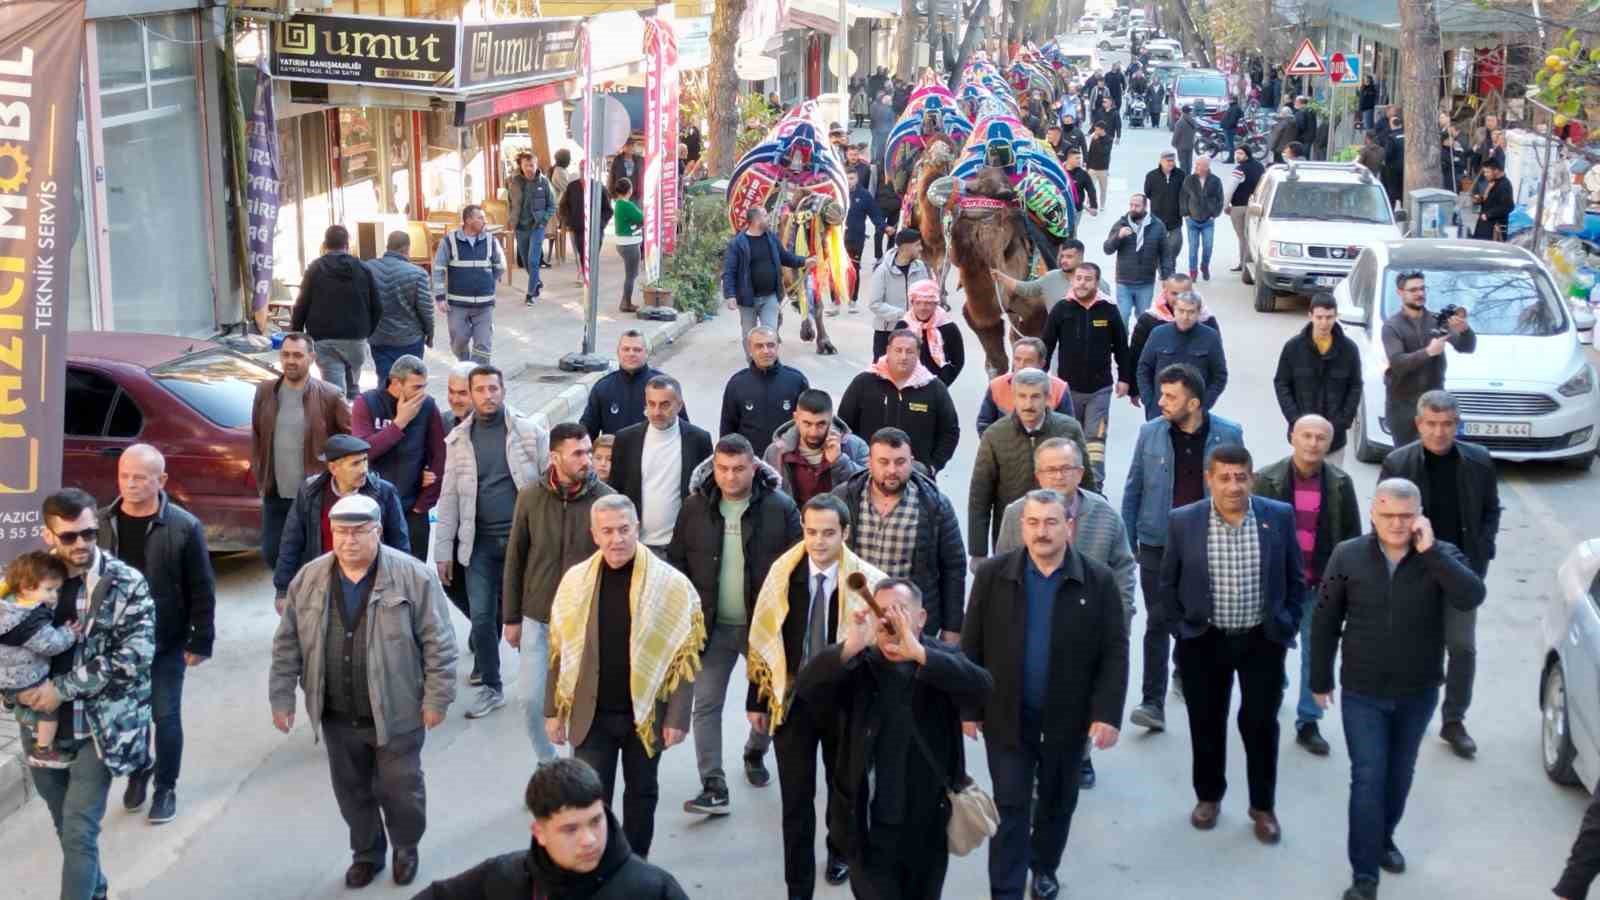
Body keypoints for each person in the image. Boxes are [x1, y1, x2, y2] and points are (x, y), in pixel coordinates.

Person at [270, 494, 458, 889]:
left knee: (401, 788)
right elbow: (287, 642)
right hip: (338, 713)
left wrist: (437, 697)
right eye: (340, 532)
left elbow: (439, 641)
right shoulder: (310, 578)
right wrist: (282, 696)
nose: (349, 541)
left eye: (359, 531)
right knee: (352, 792)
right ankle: (368, 854)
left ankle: (406, 846)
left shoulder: (412, 576)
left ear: (378, 531)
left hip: (399, 709)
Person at [1313, 478, 1486, 900]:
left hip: (1418, 690)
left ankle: (1384, 838)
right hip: (1362, 690)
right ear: (1373, 513)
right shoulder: (1348, 555)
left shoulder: (1441, 556)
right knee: (1368, 776)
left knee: (1398, 776)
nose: (1395, 524)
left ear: (1419, 517)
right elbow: (1324, 619)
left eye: (1405, 516)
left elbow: (1471, 595)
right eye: (1387, 515)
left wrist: (1430, 553)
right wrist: (1319, 679)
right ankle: (1365, 876)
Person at [965, 489, 1128, 900]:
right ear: (1022, 527)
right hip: (1006, 716)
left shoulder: (1098, 580)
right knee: (1011, 805)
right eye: (1034, 523)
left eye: (1052, 522)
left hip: (1068, 721)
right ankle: (1005, 889)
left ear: (1069, 528)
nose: (1042, 532)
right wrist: (968, 707)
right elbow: (971, 646)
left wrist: (1107, 713)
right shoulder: (993, 576)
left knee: (1057, 802)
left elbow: (1114, 651)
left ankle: (1044, 867)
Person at [794, 578, 993, 899]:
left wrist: (921, 654)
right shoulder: (859, 664)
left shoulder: (939, 658)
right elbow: (806, 689)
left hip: (927, 825)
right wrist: (848, 647)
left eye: (899, 611)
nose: (889, 620)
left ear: (921, 618)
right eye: (882, 612)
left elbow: (983, 687)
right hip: (867, 826)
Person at [1160, 444, 1304, 844]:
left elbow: (1295, 578)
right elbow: (1167, 582)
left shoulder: (1278, 517)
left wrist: (1287, 623)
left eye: (1241, 476)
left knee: (1260, 725)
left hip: (1262, 640)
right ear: (1209, 479)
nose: (1233, 485)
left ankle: (1262, 806)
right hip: (1204, 641)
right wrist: (1180, 628)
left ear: (1252, 477)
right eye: (1224, 477)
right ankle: (1208, 797)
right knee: (1205, 722)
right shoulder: (1184, 521)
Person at [545, 495, 703, 860]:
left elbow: (683, 654)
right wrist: (553, 709)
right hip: (591, 715)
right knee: (589, 801)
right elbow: (559, 650)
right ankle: (598, 866)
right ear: (594, 534)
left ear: (637, 529)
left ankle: (636, 866)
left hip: (645, 717)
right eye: (607, 531)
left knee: (642, 794)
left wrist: (677, 717)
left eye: (623, 529)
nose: (616, 539)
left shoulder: (671, 585)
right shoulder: (575, 582)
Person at [746, 494, 888, 896]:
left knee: (846, 793)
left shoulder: (868, 583)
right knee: (796, 801)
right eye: (811, 532)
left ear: (846, 533)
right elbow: (763, 639)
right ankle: (798, 887)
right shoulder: (782, 575)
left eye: (829, 533)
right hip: (793, 703)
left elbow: (880, 654)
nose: (819, 542)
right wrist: (757, 700)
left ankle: (839, 849)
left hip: (846, 706)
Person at [21, 489, 154, 900]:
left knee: (79, 831)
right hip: (38, 731)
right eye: (69, 537)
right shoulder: (24, 581)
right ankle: (95, 892)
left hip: (98, 731)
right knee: (65, 825)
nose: (81, 544)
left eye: (89, 534)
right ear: (48, 535)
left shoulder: (126, 582)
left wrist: (61, 689)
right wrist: (15, 691)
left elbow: (137, 655)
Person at [669, 435, 800, 816]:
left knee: (772, 702)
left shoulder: (781, 509)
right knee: (706, 705)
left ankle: (755, 752)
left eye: (738, 468)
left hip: (761, 628)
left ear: (754, 467)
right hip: (712, 628)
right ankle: (713, 784)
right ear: (713, 467)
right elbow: (677, 564)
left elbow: (796, 571)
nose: (729, 476)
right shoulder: (694, 508)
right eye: (722, 469)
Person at [1377, 391, 1501, 759]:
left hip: (1461, 571)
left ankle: (1454, 720)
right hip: (1413, 571)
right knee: (1408, 644)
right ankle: (1398, 714)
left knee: (1461, 647)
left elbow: (1491, 509)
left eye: (1447, 424)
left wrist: (1484, 549)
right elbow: (1383, 516)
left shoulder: (1478, 461)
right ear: (1418, 424)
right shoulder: (1398, 462)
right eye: (1431, 424)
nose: (1439, 432)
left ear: (1457, 424)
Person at [1122, 364, 1244, 731]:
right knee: (1158, 620)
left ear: (1193, 402)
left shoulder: (1228, 434)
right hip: (1158, 542)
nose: (1160, 401)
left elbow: (1240, 492)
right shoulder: (1150, 434)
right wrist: (1130, 544)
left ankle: (1184, 670)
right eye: (1161, 394)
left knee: (1197, 617)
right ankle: (1152, 702)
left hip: (1208, 542)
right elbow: (1133, 490)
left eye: (1170, 396)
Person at [99, 444, 215, 824]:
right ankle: (139, 770)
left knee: (165, 716)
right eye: (124, 476)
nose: (130, 485)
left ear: (161, 480)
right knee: (128, 717)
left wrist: (201, 640)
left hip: (166, 640)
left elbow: (202, 587)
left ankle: (166, 787)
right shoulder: (102, 523)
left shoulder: (183, 526)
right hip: (115, 645)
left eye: (140, 478)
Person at [434, 365, 550, 720]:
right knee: (482, 617)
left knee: (538, 619)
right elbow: (449, 495)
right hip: (478, 543)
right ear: (469, 395)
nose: (487, 395)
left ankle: (547, 687)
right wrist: (443, 551)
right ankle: (491, 687)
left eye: (492, 388)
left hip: (524, 544)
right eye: (480, 390)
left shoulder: (528, 433)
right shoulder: (457, 441)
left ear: (503, 391)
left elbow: (550, 483)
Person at [410, 758, 690, 899]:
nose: (589, 840)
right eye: (570, 830)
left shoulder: (653, 889)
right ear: (539, 833)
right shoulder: (506, 877)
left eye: (596, 821)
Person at [502, 422, 614, 769]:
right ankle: (548, 763)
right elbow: (516, 557)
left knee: (582, 701)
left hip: (585, 622)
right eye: (578, 453)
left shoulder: (605, 499)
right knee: (532, 699)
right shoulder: (530, 497)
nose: (587, 461)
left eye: (588, 452)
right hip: (538, 617)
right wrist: (511, 617)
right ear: (555, 457)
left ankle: (578, 766)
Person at [1253, 415, 1361, 756]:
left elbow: (1351, 539)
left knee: (1317, 653)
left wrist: (1348, 587)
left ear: (1329, 443)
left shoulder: (1341, 484)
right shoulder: (1267, 479)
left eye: (1320, 438)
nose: (1313, 443)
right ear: (1292, 438)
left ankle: (1309, 721)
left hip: (1320, 585)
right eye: (1307, 436)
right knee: (1272, 646)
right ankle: (1269, 700)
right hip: (1277, 584)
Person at [832, 428, 966, 644]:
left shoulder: (935, 505)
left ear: (911, 461)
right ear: (870, 462)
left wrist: (952, 628)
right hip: (854, 622)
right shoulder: (844, 498)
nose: (892, 470)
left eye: (900, 462)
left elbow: (953, 568)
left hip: (908, 627)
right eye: (883, 462)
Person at [968, 368, 1096, 562]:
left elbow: (1086, 484)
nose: (1028, 404)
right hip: (1013, 538)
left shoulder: (1069, 429)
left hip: (1062, 537)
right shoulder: (995, 435)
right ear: (1014, 398)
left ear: (1047, 398)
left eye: (1035, 396)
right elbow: (980, 494)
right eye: (1022, 396)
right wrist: (978, 552)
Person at [272, 433, 410, 612]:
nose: (364, 469)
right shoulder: (311, 493)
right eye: (355, 463)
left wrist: (401, 586)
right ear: (333, 468)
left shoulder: (383, 492)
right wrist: (282, 590)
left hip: (372, 584)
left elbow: (400, 543)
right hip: (324, 582)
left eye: (365, 461)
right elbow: (291, 541)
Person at [254, 333, 353, 570]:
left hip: (312, 496)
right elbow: (257, 437)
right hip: (275, 495)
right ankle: (288, 602)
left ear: (311, 358)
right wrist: (260, 474)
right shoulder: (266, 392)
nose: (290, 360)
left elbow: (351, 442)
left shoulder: (330, 395)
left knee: (312, 561)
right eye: (285, 354)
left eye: (298, 355)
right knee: (272, 555)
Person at [353, 355, 447, 562]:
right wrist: (399, 424)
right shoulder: (366, 403)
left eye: (424, 386)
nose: (421, 393)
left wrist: (423, 505)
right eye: (416, 387)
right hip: (374, 507)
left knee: (413, 577)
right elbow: (363, 453)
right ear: (396, 382)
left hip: (412, 509)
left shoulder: (428, 406)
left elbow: (439, 456)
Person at [607, 375, 713, 556]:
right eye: (651, 404)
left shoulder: (698, 440)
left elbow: (707, 492)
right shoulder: (626, 439)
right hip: (637, 546)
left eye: (665, 405)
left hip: (682, 547)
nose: (656, 411)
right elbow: (616, 490)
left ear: (679, 405)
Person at [838, 330, 962, 474]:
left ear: (918, 354)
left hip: (916, 477)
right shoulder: (863, 383)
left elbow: (950, 431)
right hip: (869, 474)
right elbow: (844, 427)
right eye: (898, 350)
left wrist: (933, 466)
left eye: (909, 351)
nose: (903, 356)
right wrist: (856, 461)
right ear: (888, 351)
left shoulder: (934, 387)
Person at [1380, 270, 1475, 448]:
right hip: (1403, 406)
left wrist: (1465, 330)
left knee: (1434, 460)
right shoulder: (1392, 326)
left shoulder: (1437, 321)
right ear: (1400, 293)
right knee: (1407, 461)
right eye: (1413, 290)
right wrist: (1428, 352)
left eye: (1423, 289)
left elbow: (1466, 347)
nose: (1420, 294)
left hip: (1434, 405)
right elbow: (1397, 363)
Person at [0, 551, 76, 768]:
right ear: (27, 587)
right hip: (24, 679)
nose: (54, 596)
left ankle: (9, 699)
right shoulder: (29, 619)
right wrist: (69, 633)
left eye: (57, 590)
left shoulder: (8, 604)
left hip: (7, 676)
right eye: (49, 590)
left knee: (18, 695)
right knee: (49, 705)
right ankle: (43, 750)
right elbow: (51, 645)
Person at [293, 224, 383, 400]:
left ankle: (342, 421)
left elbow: (301, 304)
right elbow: (377, 307)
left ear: (325, 244)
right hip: (356, 338)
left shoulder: (315, 269)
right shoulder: (363, 269)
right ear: (347, 244)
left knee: (334, 392)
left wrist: (296, 333)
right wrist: (365, 332)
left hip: (325, 339)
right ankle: (354, 412)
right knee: (353, 385)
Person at [1272, 295, 1363, 459]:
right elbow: (1282, 383)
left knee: (1332, 484)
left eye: (1329, 317)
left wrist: (1343, 421)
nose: (1324, 323)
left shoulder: (1349, 350)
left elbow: (1355, 386)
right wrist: (1295, 419)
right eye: (1319, 317)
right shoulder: (1293, 348)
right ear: (1310, 316)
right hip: (1300, 435)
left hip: (1334, 439)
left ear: (1336, 316)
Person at [762, 388, 869, 506]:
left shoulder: (856, 446)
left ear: (831, 419)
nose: (813, 432)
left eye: (821, 424)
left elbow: (869, 489)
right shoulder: (775, 452)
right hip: (792, 523)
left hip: (838, 523)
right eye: (807, 424)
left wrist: (839, 461)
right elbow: (764, 497)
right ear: (796, 418)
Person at [722, 206, 814, 339]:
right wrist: (730, 295)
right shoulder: (737, 244)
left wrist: (805, 261)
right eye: (765, 216)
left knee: (770, 335)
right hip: (747, 300)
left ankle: (773, 361)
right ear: (756, 220)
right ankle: (753, 360)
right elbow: (729, 271)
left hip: (770, 297)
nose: (769, 218)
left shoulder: (771, 238)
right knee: (750, 338)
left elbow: (785, 257)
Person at [433, 204, 508, 365]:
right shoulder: (449, 241)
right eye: (480, 218)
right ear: (468, 220)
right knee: (459, 339)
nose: (484, 221)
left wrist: (488, 281)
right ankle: (464, 364)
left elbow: (501, 265)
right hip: (458, 303)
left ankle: (478, 375)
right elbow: (438, 269)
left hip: (484, 304)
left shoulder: (491, 240)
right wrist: (439, 297)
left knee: (483, 344)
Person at [1136, 291, 1228, 419]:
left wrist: (1204, 405)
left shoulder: (1210, 337)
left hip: (1193, 415)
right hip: (1160, 413)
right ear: (1174, 310)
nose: (1186, 316)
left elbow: (1219, 376)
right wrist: (1149, 401)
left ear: (1198, 313)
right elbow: (1143, 368)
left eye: (1191, 312)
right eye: (1181, 311)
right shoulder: (1158, 334)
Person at [719, 326, 810, 457]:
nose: (766, 351)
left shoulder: (796, 380)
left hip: (787, 460)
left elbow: (808, 423)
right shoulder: (736, 384)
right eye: (759, 346)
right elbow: (727, 429)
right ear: (749, 349)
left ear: (778, 346)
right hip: (751, 462)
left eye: (770, 345)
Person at [580, 330, 689, 438]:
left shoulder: (665, 387)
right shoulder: (603, 388)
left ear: (647, 353)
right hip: (617, 454)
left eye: (637, 350)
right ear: (618, 353)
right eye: (626, 349)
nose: (631, 353)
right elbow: (586, 433)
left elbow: (685, 431)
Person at [366, 231, 435, 383]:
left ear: (387, 246)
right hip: (409, 339)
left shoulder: (368, 268)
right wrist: (430, 333)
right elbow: (426, 310)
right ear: (406, 248)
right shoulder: (418, 274)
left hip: (379, 337)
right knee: (410, 382)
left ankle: (385, 405)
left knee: (386, 381)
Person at [973, 337, 1075, 437]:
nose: (1021, 365)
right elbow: (984, 424)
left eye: (1028, 361)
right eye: (1017, 359)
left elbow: (1068, 428)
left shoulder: (1059, 388)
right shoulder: (997, 386)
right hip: (1006, 450)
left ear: (1042, 364)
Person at [1127, 274, 1221, 377]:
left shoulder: (1207, 321)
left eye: (1184, 293)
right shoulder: (1149, 320)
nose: (1179, 298)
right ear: (1165, 291)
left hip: (1197, 390)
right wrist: (1137, 390)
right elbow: (1136, 357)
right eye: (1174, 293)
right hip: (1159, 390)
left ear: (1192, 292)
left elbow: (1217, 363)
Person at [866, 230, 931, 359]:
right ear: (906, 248)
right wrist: (904, 315)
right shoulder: (882, 271)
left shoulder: (921, 267)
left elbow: (926, 295)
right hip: (887, 333)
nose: (921, 248)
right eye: (917, 245)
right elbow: (875, 304)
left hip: (915, 332)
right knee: (884, 376)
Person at [1103, 193, 1167, 322]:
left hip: (1146, 282)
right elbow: (1107, 249)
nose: (1133, 208)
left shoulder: (1157, 226)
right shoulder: (1121, 224)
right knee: (1123, 316)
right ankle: (1122, 342)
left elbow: (1165, 253)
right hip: (1124, 281)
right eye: (1131, 205)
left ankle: (1139, 342)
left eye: (1137, 206)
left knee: (1143, 319)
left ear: (1145, 206)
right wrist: (1118, 236)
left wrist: (1167, 276)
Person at [893, 279, 965, 386]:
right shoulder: (903, 326)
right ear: (912, 303)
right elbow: (892, 356)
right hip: (906, 386)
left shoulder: (948, 328)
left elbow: (958, 360)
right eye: (918, 303)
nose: (923, 308)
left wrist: (943, 382)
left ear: (936, 304)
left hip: (937, 386)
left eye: (928, 303)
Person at [507, 151, 557, 306]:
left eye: (532, 165)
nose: (529, 168)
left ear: (536, 165)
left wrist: (543, 220)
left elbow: (552, 205)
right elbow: (510, 203)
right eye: (526, 165)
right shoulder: (514, 182)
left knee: (533, 260)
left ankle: (531, 293)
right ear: (521, 166)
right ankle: (536, 281)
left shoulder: (544, 182)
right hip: (521, 227)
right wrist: (511, 221)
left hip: (537, 226)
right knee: (525, 262)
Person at [844, 169, 890, 309]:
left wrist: (884, 227)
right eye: (847, 178)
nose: (849, 181)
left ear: (857, 178)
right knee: (836, 269)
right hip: (838, 238)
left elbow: (875, 214)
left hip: (856, 238)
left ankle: (853, 301)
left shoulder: (864, 195)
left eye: (851, 178)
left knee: (854, 269)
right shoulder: (839, 193)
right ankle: (835, 301)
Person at [1143, 149, 1187, 282]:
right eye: (1168, 161)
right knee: (1157, 247)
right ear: (1161, 161)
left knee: (1175, 245)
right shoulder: (1151, 176)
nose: (1170, 163)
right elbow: (1148, 193)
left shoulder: (1181, 175)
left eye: (1173, 161)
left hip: (1175, 219)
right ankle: (1164, 271)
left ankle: (1169, 268)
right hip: (1157, 219)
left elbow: (1185, 193)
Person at [1180, 156, 1225, 281]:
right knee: (1193, 248)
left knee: (1208, 246)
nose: (1196, 167)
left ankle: (1204, 266)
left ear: (1206, 167)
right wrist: (1186, 214)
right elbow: (1183, 197)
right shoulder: (1189, 180)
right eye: (1196, 164)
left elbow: (1220, 199)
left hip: (1208, 221)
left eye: (1200, 165)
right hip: (1192, 220)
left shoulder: (1215, 180)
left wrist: (1214, 214)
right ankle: (1193, 271)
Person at [1226, 146, 1266, 274]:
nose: (1237, 156)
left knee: (1243, 237)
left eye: (1240, 153)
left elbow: (1230, 189)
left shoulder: (1239, 170)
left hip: (1239, 207)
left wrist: (1225, 205)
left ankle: (1243, 264)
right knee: (1252, 236)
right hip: (1256, 206)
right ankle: (1251, 262)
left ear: (1247, 155)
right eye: (1237, 153)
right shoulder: (1260, 167)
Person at [1472, 159, 1513, 241]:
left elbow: (1508, 206)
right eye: (1484, 172)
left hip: (1494, 228)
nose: (1485, 174)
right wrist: (1480, 199)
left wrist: (1488, 214)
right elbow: (1492, 200)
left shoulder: (1504, 185)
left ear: (1496, 171)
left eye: (1487, 172)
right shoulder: (1493, 182)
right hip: (1484, 226)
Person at [1062, 147, 1098, 217]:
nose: (1080, 161)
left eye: (1080, 158)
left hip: (1076, 209)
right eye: (1077, 158)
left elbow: (1091, 190)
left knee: (1073, 228)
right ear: (1069, 159)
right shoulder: (1060, 171)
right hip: (1062, 208)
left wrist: (1094, 206)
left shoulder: (1083, 174)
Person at [609, 133, 644, 201]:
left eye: (632, 145)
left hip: (636, 197)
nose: (630, 147)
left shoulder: (640, 160)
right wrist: (613, 195)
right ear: (623, 147)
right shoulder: (617, 160)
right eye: (628, 145)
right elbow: (611, 178)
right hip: (621, 195)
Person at [1085, 121, 1113, 204]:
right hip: (1092, 168)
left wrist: (1097, 141)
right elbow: (1090, 152)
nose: (1095, 132)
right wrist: (1087, 166)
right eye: (1095, 129)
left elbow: (1103, 152)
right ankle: (1089, 203)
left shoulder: (1109, 139)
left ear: (1102, 130)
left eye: (1097, 130)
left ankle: (1102, 205)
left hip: (1103, 168)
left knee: (1103, 189)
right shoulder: (1094, 138)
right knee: (1090, 188)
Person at [1171, 108, 1197, 174]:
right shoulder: (1193, 121)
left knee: (1182, 162)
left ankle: (1184, 176)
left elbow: (1176, 134)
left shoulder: (1180, 122)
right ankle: (1188, 175)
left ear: (1182, 111)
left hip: (1181, 146)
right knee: (1189, 162)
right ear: (1190, 112)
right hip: (1190, 144)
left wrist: (1173, 143)